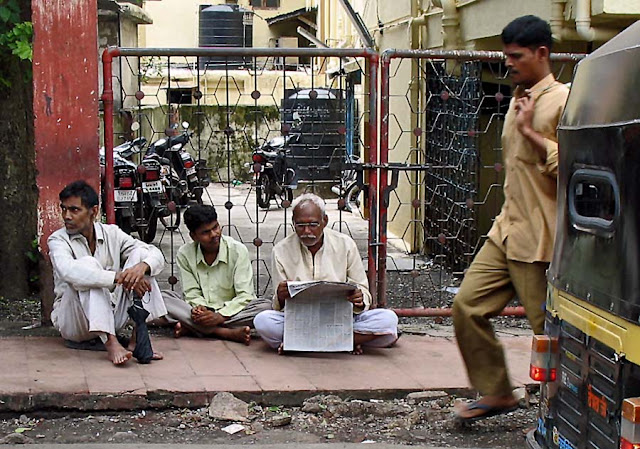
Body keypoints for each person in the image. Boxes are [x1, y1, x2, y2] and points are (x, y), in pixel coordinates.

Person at [452, 15, 570, 422]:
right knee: (466, 307)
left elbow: (574, 164)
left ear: (542, 53)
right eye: (506, 56)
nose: (509, 64)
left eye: (516, 56)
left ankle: (566, 419)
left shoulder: (562, 100)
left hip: (541, 239)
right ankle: (499, 391)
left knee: (549, 335)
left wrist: (532, 131)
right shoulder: (520, 97)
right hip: (506, 231)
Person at [253, 193, 398, 354]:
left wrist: (359, 298)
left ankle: (300, 343)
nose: (306, 231)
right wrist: (280, 297)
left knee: (387, 319)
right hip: (300, 321)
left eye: (313, 224)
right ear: (293, 223)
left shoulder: (345, 244)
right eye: (300, 225)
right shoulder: (281, 250)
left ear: (325, 221)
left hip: (341, 320)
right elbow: (279, 307)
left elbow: (364, 292)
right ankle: (346, 342)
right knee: (263, 322)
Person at [48, 180, 168, 366]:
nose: (67, 216)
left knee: (143, 258)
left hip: (111, 316)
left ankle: (138, 337)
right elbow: (69, 271)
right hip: (74, 322)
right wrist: (116, 277)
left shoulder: (112, 233)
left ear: (93, 212)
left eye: (74, 210)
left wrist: (141, 267)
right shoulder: (57, 240)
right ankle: (111, 342)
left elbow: (155, 255)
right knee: (88, 268)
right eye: (64, 209)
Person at [162, 204, 271, 345]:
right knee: (164, 299)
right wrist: (202, 310)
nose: (214, 234)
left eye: (215, 227)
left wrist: (220, 316)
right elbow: (191, 293)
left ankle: (192, 328)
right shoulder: (185, 254)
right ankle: (224, 332)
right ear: (193, 236)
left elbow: (245, 295)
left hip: (233, 312)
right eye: (206, 232)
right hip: (201, 313)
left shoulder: (237, 250)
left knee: (265, 307)